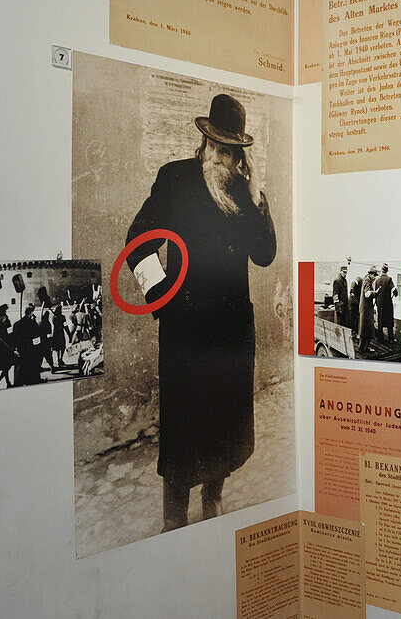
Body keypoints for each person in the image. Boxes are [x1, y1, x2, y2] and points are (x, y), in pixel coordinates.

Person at [125, 93, 277, 532]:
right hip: (186, 333)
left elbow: (264, 255)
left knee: (224, 423)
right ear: (204, 141)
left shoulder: (244, 193)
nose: (220, 156)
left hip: (231, 334)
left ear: (238, 157)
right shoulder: (174, 179)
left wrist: (258, 199)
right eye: (215, 145)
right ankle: (174, 517)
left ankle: (213, 501)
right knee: (184, 429)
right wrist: (163, 301)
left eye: (229, 151)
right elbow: (138, 242)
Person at [13, 304, 43, 387]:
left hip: (21, 350)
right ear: (30, 313)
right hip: (31, 351)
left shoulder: (17, 324)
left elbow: (14, 338)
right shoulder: (33, 324)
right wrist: (39, 351)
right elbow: (36, 340)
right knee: (31, 372)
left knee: (21, 370)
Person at [374, 263, 397, 343]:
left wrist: (377, 303)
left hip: (380, 305)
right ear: (387, 270)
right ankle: (390, 339)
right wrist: (396, 293)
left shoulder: (377, 280)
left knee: (380, 321)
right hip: (387, 304)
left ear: (382, 270)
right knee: (389, 321)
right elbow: (394, 290)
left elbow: (376, 293)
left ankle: (380, 339)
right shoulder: (389, 279)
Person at [358, 267, 377, 353]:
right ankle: (363, 348)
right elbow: (367, 294)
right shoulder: (367, 280)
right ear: (371, 274)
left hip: (366, 309)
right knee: (366, 328)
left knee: (366, 328)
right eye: (374, 275)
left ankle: (364, 347)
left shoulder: (367, 280)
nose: (374, 277)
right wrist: (375, 292)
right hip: (366, 309)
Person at [332, 265, 350, 330]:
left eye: (346, 272)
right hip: (340, 308)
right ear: (340, 272)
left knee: (345, 325)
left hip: (345, 307)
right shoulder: (337, 281)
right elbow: (335, 295)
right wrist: (338, 309)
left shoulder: (345, 281)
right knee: (339, 325)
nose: (345, 274)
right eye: (344, 272)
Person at [50, 304, 67, 370]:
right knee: (62, 347)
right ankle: (60, 359)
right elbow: (65, 326)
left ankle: (58, 359)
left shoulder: (54, 317)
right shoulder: (62, 317)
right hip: (60, 333)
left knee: (57, 348)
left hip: (55, 333)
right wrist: (69, 334)